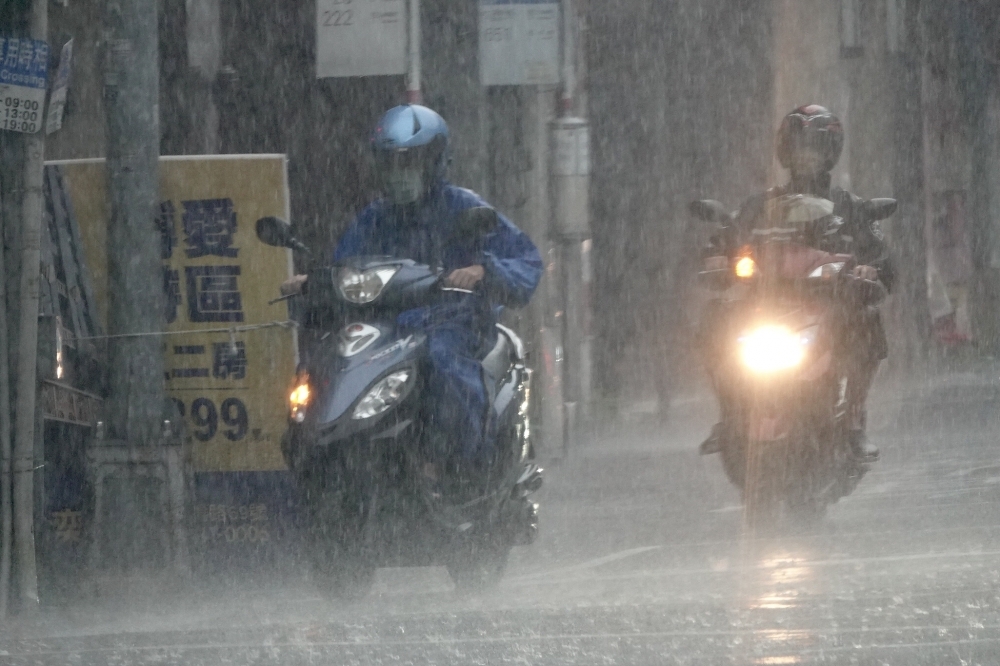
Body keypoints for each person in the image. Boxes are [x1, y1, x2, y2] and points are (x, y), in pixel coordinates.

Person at [286, 104, 542, 490]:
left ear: (434, 161)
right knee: (325, 363)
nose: (398, 173)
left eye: (408, 162)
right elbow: (346, 265)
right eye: (389, 163)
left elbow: (526, 259)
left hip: (452, 324)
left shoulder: (463, 207)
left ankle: (469, 469)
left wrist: (483, 270)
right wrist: (315, 282)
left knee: (440, 361)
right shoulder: (374, 218)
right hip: (385, 332)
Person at [699, 105, 891, 461]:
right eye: (800, 147)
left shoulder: (850, 207)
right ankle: (729, 415)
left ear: (830, 153)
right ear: (786, 151)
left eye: (815, 148)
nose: (806, 156)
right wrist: (716, 256)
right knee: (715, 316)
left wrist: (870, 269)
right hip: (763, 304)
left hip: (829, 302)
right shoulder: (760, 206)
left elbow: (880, 256)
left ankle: (852, 421)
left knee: (866, 319)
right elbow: (728, 237)